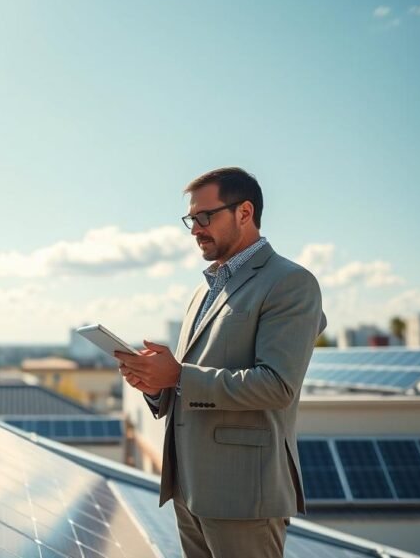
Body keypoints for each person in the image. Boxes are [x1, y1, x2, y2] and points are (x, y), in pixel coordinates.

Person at [115, 167, 326, 558]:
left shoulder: (290, 283)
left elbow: (277, 384)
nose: (195, 228)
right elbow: (189, 384)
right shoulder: (204, 289)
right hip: (189, 491)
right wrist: (157, 385)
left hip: (243, 495)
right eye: (191, 219)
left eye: (204, 216)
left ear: (244, 212)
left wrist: (178, 375)